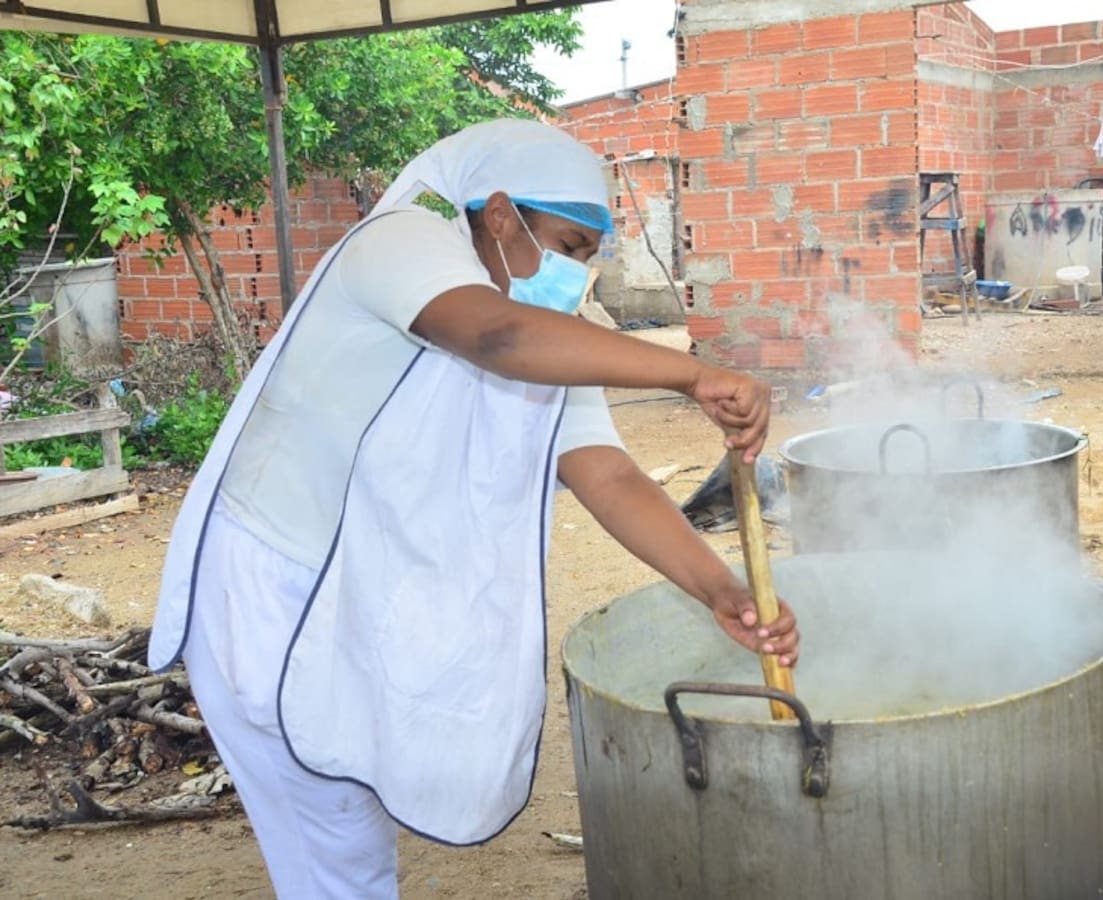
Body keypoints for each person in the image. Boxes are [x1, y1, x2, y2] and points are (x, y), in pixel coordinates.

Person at [149, 118, 798, 898]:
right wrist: (689, 375)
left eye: (589, 259)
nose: (574, 277)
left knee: (349, 826)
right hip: (271, 591)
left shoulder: (551, 334)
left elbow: (608, 476)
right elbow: (494, 338)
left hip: (357, 597)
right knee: (335, 853)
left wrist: (720, 589)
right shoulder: (400, 243)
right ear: (498, 214)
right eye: (567, 246)